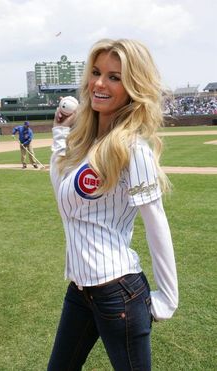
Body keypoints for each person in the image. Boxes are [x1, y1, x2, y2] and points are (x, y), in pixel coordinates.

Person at [48, 38, 178, 371]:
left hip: (118, 292)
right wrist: (61, 136)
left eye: (114, 77)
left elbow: (156, 222)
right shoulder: (89, 142)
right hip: (81, 290)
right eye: (96, 72)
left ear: (133, 87)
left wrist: (168, 297)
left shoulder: (133, 149)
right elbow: (64, 194)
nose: (100, 83)